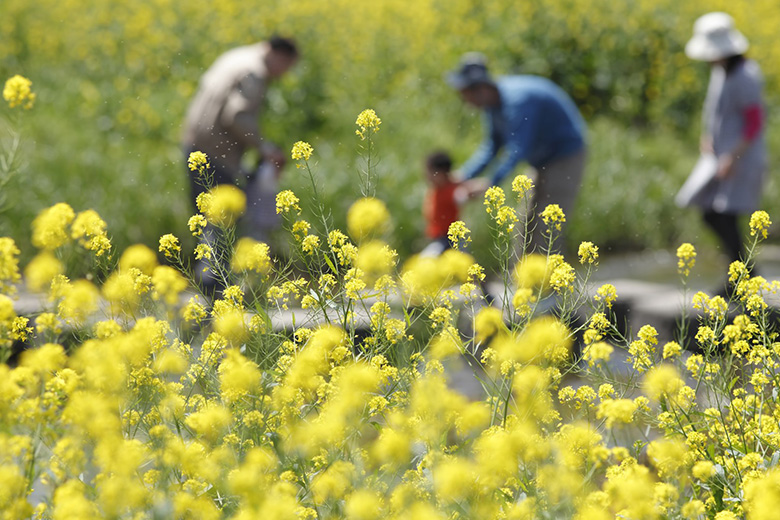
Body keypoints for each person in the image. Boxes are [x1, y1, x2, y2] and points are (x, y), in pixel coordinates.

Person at [182, 36, 298, 294]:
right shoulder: (254, 71)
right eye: (287, 67)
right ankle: (214, 291)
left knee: (207, 219)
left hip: (194, 147)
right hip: (215, 154)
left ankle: (210, 291)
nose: (284, 74)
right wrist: (266, 149)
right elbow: (237, 115)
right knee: (221, 223)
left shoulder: (235, 56)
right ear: (280, 56)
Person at [447, 53, 587, 255]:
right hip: (541, 159)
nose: (463, 100)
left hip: (565, 155)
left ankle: (551, 285)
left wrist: (489, 183)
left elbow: (516, 149)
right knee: (525, 226)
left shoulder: (517, 101)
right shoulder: (492, 105)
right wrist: (463, 176)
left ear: (481, 89)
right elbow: (491, 147)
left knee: (546, 229)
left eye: (465, 93)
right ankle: (522, 284)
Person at [679, 13, 767, 267]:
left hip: (740, 158)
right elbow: (717, 112)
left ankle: (743, 273)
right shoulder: (722, 71)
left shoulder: (746, 75)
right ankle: (741, 272)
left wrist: (732, 155)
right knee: (711, 212)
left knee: (723, 215)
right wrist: (707, 137)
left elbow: (754, 123)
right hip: (720, 158)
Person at [420, 151, 485, 257]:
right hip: (439, 239)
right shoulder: (439, 188)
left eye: (430, 173)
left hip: (449, 240)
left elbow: (470, 192)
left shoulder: (452, 192)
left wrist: (468, 187)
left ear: (441, 174)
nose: (427, 176)